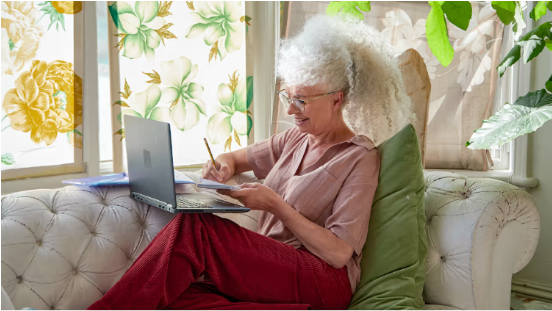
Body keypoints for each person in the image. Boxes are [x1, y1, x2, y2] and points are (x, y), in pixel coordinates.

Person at [88, 15, 413, 310]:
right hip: (270, 268)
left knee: (195, 227)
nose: (290, 110)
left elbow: (340, 253)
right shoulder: (295, 139)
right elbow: (234, 158)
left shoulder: (360, 158)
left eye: (302, 101)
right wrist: (224, 167)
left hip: (324, 280)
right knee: (177, 296)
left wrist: (276, 205)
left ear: (336, 99)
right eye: (288, 96)